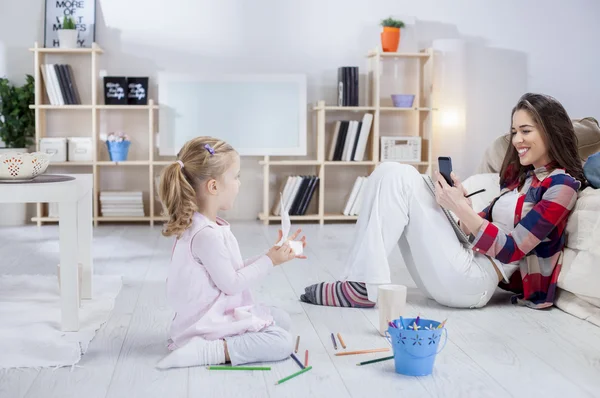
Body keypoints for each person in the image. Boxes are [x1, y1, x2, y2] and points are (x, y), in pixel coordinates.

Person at [301, 93, 586, 310]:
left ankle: (363, 286)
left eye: (526, 131)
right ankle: (360, 283)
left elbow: (512, 250)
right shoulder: (521, 179)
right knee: (390, 170)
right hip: (460, 265)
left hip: (474, 283)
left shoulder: (561, 187)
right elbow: (474, 229)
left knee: (401, 177)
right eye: (514, 132)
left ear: (549, 132)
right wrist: (460, 205)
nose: (516, 140)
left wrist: (460, 208)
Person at [155, 137, 306, 369]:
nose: (239, 183)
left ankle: (218, 341)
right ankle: (210, 350)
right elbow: (232, 283)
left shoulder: (204, 225)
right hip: (205, 323)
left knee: (281, 318)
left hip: (211, 312)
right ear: (214, 186)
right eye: (236, 177)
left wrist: (271, 255)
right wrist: (269, 261)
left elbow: (229, 271)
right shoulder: (206, 235)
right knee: (282, 342)